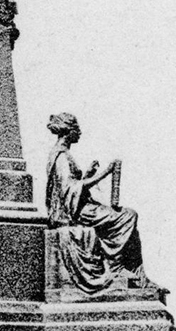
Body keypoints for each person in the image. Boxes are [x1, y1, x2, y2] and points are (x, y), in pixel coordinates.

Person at [45, 112, 148, 295]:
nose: (80, 133)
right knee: (127, 216)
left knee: (127, 215)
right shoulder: (61, 156)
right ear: (68, 132)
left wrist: (88, 175)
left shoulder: (63, 154)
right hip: (77, 211)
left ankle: (132, 272)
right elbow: (69, 189)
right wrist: (105, 173)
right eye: (77, 129)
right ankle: (117, 268)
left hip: (81, 206)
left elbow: (73, 186)